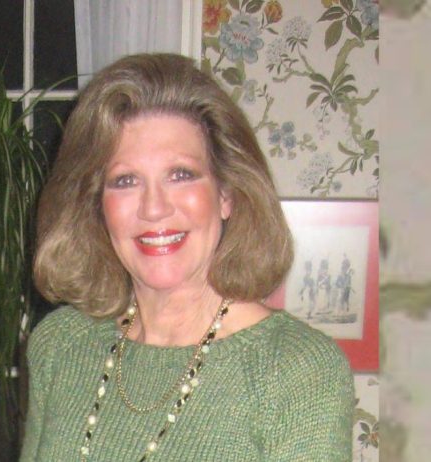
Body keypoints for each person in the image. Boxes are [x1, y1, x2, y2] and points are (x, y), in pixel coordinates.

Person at [20, 53, 354, 462]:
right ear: (96, 204)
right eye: (125, 181)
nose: (154, 208)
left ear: (226, 193)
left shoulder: (295, 370)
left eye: (180, 175)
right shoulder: (60, 345)